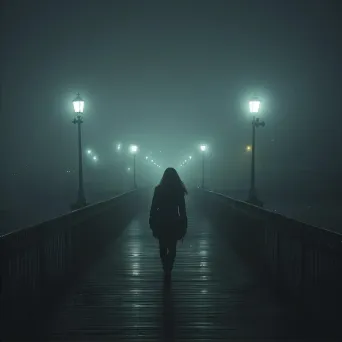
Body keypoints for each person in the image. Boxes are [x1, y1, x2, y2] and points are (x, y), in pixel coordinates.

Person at [149, 167, 188, 279]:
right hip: (174, 221)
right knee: (172, 247)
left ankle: (165, 266)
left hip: (161, 221)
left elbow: (153, 208)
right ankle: (169, 267)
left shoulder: (158, 189)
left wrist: (152, 221)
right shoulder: (178, 190)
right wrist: (184, 223)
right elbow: (182, 209)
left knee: (162, 246)